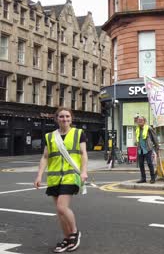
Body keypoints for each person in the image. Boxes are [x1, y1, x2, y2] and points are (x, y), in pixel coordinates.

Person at [34, 107, 87, 253]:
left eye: (67, 116)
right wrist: (39, 175)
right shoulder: (50, 136)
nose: (65, 119)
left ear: (71, 118)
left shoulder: (78, 133)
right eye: (62, 117)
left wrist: (84, 172)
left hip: (70, 176)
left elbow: (83, 154)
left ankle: (75, 233)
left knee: (61, 207)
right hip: (54, 178)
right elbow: (45, 157)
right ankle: (67, 238)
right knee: (60, 212)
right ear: (57, 119)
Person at [135, 116, 158, 183]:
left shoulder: (148, 128)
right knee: (141, 164)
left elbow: (154, 137)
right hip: (140, 149)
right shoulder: (137, 129)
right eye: (138, 120)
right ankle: (143, 178)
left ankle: (152, 178)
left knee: (149, 163)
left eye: (141, 120)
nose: (139, 121)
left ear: (144, 121)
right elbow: (137, 138)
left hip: (147, 148)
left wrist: (157, 146)